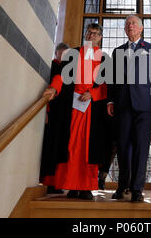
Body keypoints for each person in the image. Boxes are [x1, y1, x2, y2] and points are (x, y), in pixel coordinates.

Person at [107, 15, 151, 203]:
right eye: (127, 24)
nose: (130, 26)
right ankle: (122, 186)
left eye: (133, 23)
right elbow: (112, 79)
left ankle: (137, 189)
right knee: (122, 147)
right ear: (125, 30)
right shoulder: (117, 51)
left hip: (145, 106)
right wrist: (110, 100)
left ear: (141, 29)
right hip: (122, 106)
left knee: (141, 147)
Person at [41, 24, 108, 200]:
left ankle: (86, 187)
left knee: (87, 150)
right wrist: (53, 89)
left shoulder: (104, 59)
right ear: (85, 34)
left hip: (91, 111)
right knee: (70, 147)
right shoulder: (73, 54)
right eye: (89, 32)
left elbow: (106, 86)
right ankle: (71, 186)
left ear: (100, 38)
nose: (91, 35)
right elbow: (61, 76)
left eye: (95, 34)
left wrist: (91, 93)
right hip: (71, 108)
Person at [39, 43, 70, 194]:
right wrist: (46, 111)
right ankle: (49, 182)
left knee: (61, 149)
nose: (63, 57)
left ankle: (58, 182)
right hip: (53, 113)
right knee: (50, 148)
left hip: (64, 115)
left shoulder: (69, 69)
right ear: (57, 53)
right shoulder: (51, 66)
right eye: (61, 54)